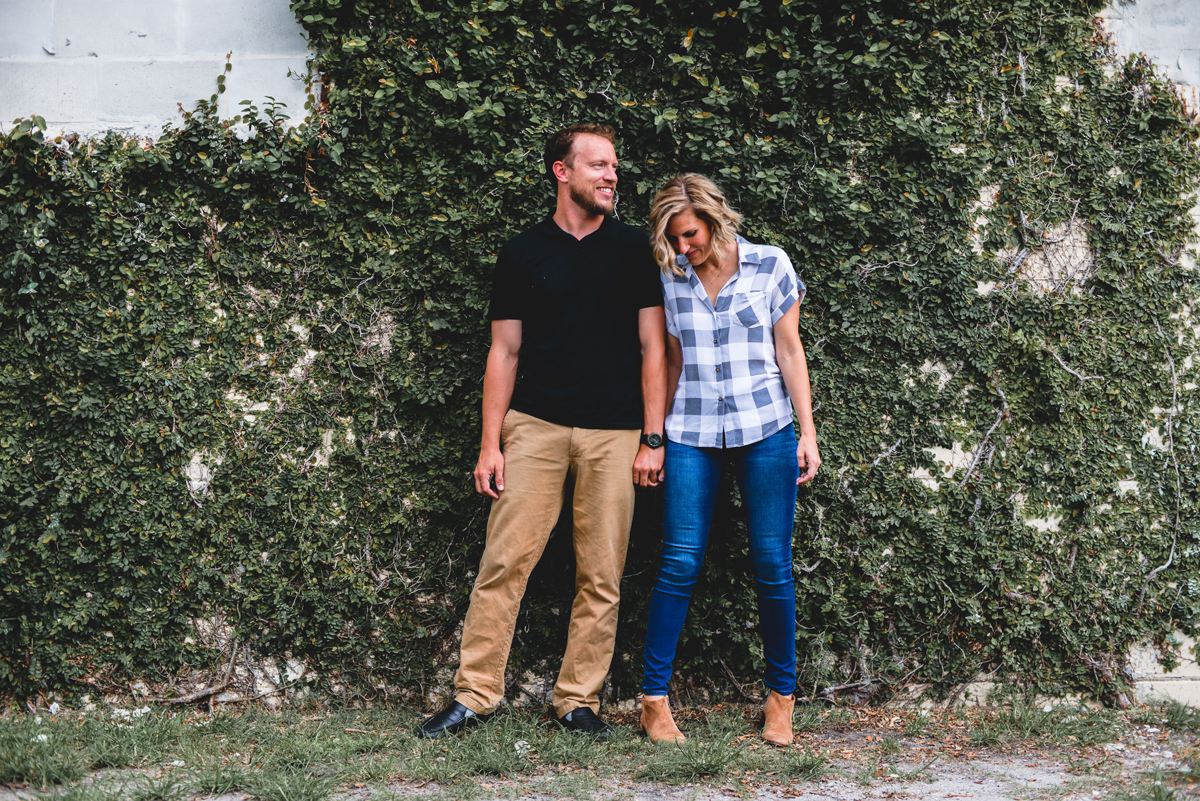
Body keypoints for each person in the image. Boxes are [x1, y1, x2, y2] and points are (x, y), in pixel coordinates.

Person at [417, 124, 668, 740]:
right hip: (535, 425)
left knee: (602, 574)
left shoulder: (636, 250)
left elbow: (653, 347)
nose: (612, 176)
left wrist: (652, 437)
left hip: (615, 433)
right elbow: (504, 352)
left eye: (615, 166)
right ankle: (474, 695)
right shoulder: (522, 252)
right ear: (562, 171)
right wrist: (489, 443)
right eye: (599, 166)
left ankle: (577, 701)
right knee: (504, 562)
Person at [638, 174, 820, 747]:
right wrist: (655, 439)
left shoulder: (769, 265)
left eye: (689, 234)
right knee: (680, 561)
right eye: (674, 238)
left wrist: (806, 433)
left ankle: (781, 698)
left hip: (765, 428)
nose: (684, 247)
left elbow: (790, 350)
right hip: (691, 431)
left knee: (772, 562)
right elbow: (667, 360)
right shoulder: (671, 277)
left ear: (714, 218)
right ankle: (653, 699)